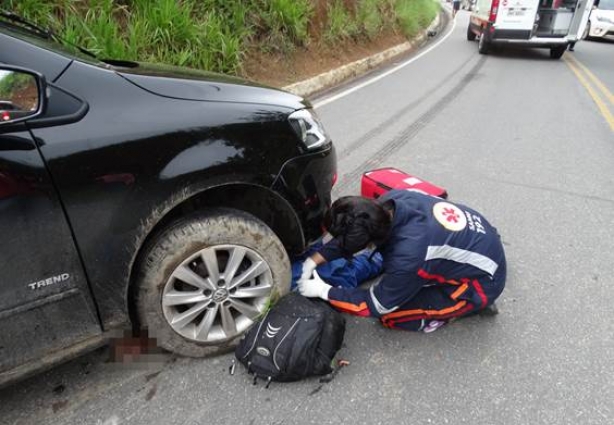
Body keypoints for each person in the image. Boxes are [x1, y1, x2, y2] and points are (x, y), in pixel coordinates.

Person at [297, 190, 506, 333]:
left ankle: (467, 307)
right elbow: (351, 235)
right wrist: (314, 260)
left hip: (482, 284)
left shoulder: (409, 256)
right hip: (482, 242)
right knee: (399, 275)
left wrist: (324, 291)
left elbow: (377, 304)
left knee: (390, 317)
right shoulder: (389, 202)